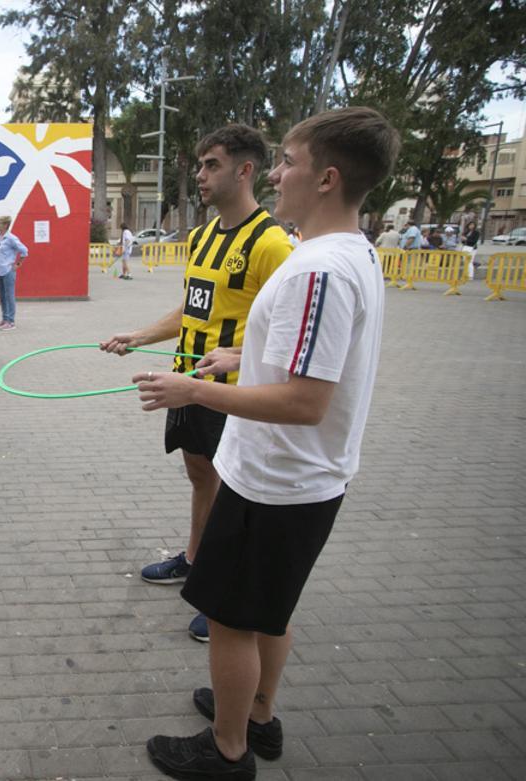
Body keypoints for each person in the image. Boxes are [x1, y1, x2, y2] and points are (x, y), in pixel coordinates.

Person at [139, 106, 399, 781]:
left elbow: (304, 401)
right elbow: (306, 368)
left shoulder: (316, 270)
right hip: (309, 478)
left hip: (276, 479)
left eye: (289, 160)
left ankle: (227, 749)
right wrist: (239, 356)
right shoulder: (353, 253)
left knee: (229, 617)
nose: (278, 172)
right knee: (269, 609)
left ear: (327, 178)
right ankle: (257, 712)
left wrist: (194, 390)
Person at [100, 124, 293, 642]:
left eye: (212, 165)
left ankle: (225, 597)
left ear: (245, 170)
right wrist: (139, 337)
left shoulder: (273, 245)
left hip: (235, 394)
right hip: (187, 384)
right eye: (200, 165)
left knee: (237, 495)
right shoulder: (203, 237)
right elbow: (193, 308)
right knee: (200, 477)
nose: (200, 175)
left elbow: (286, 332)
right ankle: (194, 560)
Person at [0, 215, 28, 330]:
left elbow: (24, 250)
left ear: (6, 225)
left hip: (8, 270)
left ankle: (11, 322)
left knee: (9, 295)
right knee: (2, 296)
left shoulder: (11, 238)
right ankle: (5, 319)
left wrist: (17, 264)